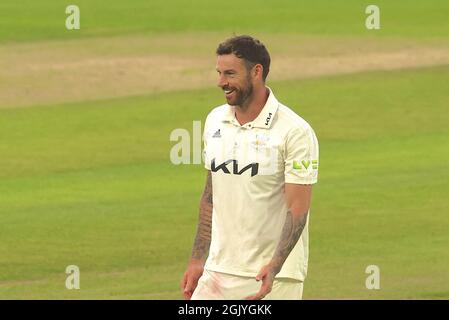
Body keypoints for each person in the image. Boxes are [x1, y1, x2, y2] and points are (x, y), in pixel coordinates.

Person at [181, 35, 319, 300]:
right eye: (219, 73)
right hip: (218, 270)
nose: (221, 82)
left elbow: (297, 208)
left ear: (257, 72)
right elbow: (211, 196)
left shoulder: (295, 131)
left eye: (230, 73)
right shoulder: (215, 121)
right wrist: (198, 259)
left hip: (270, 277)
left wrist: (275, 266)